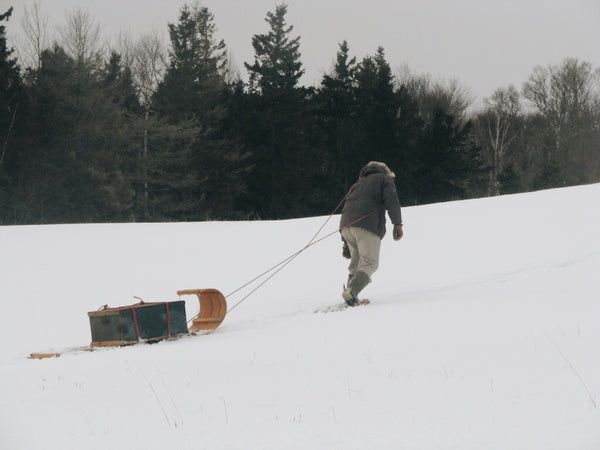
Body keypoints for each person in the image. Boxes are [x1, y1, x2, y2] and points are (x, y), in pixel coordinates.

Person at [339, 161, 403, 306]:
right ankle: (351, 292)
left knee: (356, 262)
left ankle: (350, 295)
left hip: (346, 226)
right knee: (370, 262)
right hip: (367, 226)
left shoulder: (357, 184)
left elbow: (348, 208)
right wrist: (397, 223)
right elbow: (392, 201)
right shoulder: (384, 179)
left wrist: (344, 240)